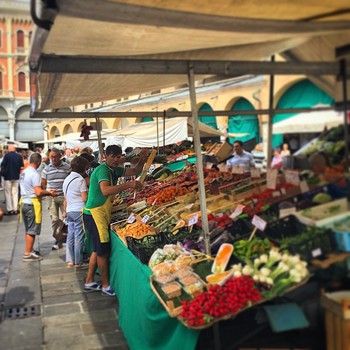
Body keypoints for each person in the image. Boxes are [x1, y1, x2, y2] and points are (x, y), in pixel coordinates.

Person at [83, 145, 148, 296]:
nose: (116, 159)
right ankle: (106, 286)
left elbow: (135, 171)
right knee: (102, 252)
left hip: (101, 213)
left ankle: (89, 281)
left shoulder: (115, 169)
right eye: (112, 156)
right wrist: (128, 184)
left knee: (97, 249)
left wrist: (143, 159)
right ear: (105, 156)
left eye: (118, 156)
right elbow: (105, 190)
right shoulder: (103, 170)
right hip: (94, 214)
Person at [20, 153, 58, 261]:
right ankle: (27, 253)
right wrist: (49, 193)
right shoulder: (35, 174)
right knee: (32, 230)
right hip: (31, 204)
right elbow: (38, 192)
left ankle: (30, 249)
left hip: (24, 202)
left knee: (28, 229)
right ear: (38, 162)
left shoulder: (24, 172)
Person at [62, 156, 89, 268]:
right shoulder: (80, 180)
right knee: (79, 236)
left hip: (69, 211)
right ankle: (78, 261)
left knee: (71, 236)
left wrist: (64, 211)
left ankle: (71, 260)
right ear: (82, 168)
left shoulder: (66, 179)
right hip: (79, 211)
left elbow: (66, 198)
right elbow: (84, 198)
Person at [41, 148, 71, 250]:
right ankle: (58, 238)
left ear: (60, 156)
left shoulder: (67, 168)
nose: (53, 159)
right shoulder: (46, 169)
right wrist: (48, 192)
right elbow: (43, 182)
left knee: (66, 219)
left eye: (55, 156)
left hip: (64, 197)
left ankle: (63, 238)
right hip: (51, 198)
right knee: (54, 219)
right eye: (51, 157)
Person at [1, 145, 24, 215]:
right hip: (16, 176)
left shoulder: (6, 156)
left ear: (9, 149)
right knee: (15, 193)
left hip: (7, 177)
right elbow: (21, 166)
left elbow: (2, 164)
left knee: (8, 194)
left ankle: (9, 209)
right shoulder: (19, 156)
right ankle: (15, 209)